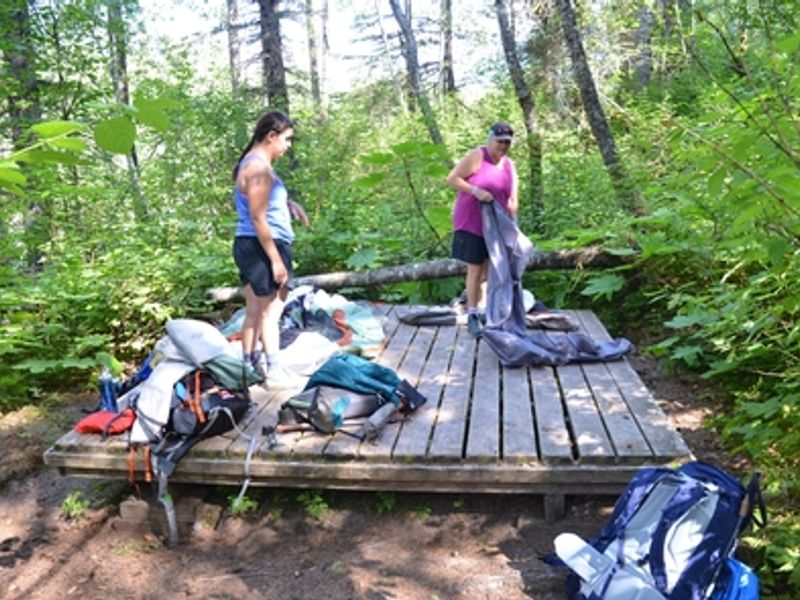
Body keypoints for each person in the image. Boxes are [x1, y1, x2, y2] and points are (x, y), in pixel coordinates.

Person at [232, 111, 309, 388]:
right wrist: (276, 261)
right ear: (271, 136)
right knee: (271, 312)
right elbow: (257, 217)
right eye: (287, 139)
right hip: (263, 246)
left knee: (253, 309)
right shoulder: (259, 169)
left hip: (249, 244)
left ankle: (248, 365)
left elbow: (261, 203)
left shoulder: (252, 164)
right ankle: (274, 372)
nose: (288, 145)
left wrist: (289, 205)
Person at [445, 122, 518, 337]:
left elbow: (512, 198)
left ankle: (485, 308)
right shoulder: (478, 156)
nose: (503, 146)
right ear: (490, 139)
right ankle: (473, 314)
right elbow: (452, 179)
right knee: (475, 269)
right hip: (472, 222)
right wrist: (475, 191)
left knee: (490, 269)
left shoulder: (509, 165)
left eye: (507, 143)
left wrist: (513, 225)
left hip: (496, 225)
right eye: (499, 141)